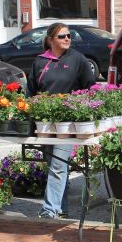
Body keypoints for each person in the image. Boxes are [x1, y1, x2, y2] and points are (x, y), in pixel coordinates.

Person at [27, 22, 96, 219]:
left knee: (58, 165)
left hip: (68, 122)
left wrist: (80, 105)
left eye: (69, 36)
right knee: (55, 165)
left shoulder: (78, 59)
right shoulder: (40, 61)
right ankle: (62, 207)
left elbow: (91, 87)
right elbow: (31, 90)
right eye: (62, 36)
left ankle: (50, 210)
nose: (67, 39)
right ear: (50, 40)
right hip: (45, 122)